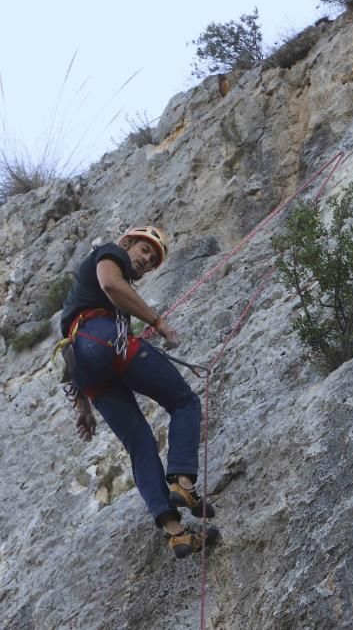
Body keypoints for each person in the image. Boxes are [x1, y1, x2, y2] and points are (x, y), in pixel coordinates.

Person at [58, 225, 218, 558]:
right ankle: (183, 483)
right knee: (184, 402)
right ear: (127, 243)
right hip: (105, 340)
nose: (148, 260)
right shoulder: (109, 253)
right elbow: (112, 284)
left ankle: (177, 533)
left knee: (141, 445)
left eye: (154, 260)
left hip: (87, 367)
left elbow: (70, 358)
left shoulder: (77, 304)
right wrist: (157, 322)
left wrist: (83, 408)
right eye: (145, 251)